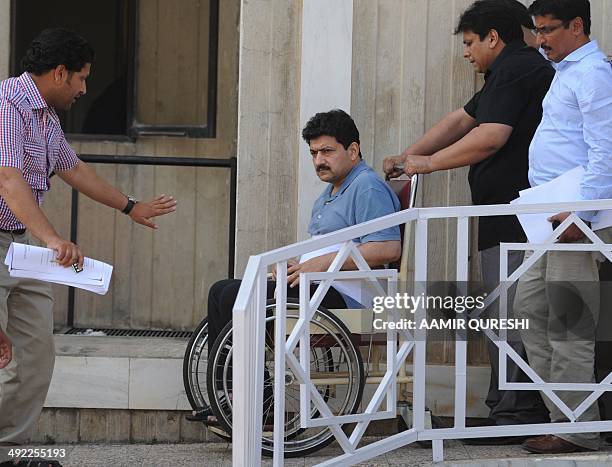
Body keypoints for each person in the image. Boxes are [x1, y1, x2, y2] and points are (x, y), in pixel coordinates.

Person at [0, 28, 176, 465]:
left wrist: (129, 205)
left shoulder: (45, 117)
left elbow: (72, 168)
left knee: (36, 354)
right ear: (60, 73)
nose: (84, 89)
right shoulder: (8, 105)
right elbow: (8, 179)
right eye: (81, 78)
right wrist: (54, 237)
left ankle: (7, 453)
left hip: (23, 249)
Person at [383, 0, 554, 443]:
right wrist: (408, 157)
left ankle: (517, 413)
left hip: (518, 219)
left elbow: (489, 137)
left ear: (494, 38)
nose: (466, 53)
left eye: (470, 43)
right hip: (505, 217)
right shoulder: (506, 74)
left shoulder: (519, 68)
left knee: (513, 316)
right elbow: (462, 119)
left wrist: (428, 164)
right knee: (504, 314)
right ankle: (510, 409)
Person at [194, 109, 402, 423]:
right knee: (221, 290)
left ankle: (251, 403)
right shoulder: (330, 193)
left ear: (354, 150)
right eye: (314, 153)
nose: (319, 160)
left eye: (328, 151)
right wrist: (296, 265)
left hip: (348, 299)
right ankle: (235, 396)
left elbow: (388, 246)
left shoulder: (367, 187)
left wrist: (318, 263)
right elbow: (326, 249)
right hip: (317, 289)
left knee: (236, 294)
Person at [515, 0, 612, 455]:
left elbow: (605, 147)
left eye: (549, 30)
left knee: (568, 320)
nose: (541, 40)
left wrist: (583, 214)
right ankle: (566, 416)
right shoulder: (565, 71)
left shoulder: (592, 73)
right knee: (530, 307)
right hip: (553, 217)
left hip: (577, 218)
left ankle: (577, 427)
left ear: (578, 26)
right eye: (536, 30)